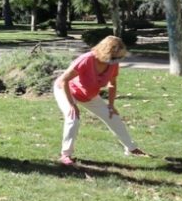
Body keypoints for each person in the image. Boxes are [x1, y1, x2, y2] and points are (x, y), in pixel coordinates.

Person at [53, 35, 148, 166]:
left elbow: (112, 84)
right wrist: (71, 105)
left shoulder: (113, 64)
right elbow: (64, 80)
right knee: (73, 118)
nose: (116, 60)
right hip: (66, 90)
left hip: (89, 95)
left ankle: (131, 149)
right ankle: (66, 155)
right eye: (114, 57)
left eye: (119, 57)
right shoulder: (86, 59)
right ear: (105, 51)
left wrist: (111, 105)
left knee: (113, 116)